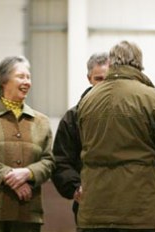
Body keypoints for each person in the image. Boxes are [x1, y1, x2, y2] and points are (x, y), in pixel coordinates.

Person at [76, 40, 155, 232]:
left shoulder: (88, 100)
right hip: (137, 209)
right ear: (139, 65)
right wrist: (147, 167)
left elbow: (82, 145)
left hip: (94, 207)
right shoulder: (150, 97)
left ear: (112, 63)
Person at [0, 55, 55, 232]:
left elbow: (49, 162)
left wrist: (28, 173)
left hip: (27, 213)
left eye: (29, 77)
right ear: (3, 81)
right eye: (21, 76)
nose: (27, 82)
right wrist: (9, 176)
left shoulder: (41, 122)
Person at [51, 52, 109, 223]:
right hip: (89, 205)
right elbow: (60, 161)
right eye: (98, 79)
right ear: (89, 78)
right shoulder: (72, 118)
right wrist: (75, 189)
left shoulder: (129, 115)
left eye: (108, 79)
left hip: (126, 204)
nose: (103, 85)